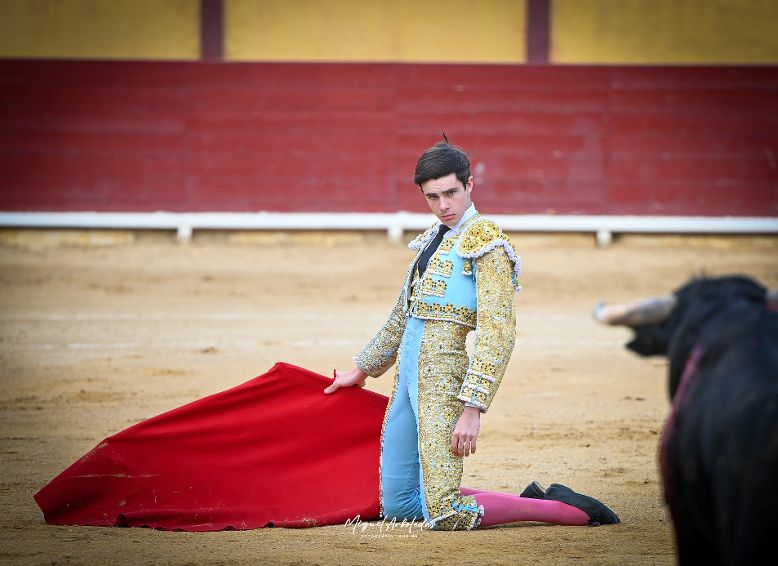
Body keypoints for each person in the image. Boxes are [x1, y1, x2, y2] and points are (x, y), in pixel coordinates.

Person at [324, 138, 620, 530]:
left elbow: (498, 334)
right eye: (432, 197)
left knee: (444, 514)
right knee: (399, 504)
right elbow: (402, 314)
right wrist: (362, 369)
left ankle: (568, 510)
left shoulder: (488, 244)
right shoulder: (434, 237)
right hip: (406, 384)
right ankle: (519, 499)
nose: (443, 205)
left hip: (444, 384)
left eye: (450, 193)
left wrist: (472, 408)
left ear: (469, 186)